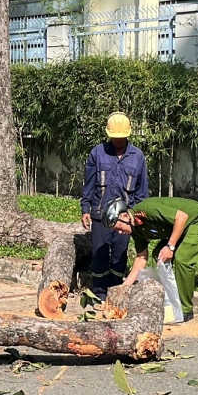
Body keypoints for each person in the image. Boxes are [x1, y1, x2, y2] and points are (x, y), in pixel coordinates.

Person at [108, 196, 198, 322]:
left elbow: (181, 217)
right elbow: (141, 258)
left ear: (125, 217)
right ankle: (167, 303)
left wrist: (170, 247)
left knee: (183, 258)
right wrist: (124, 287)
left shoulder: (148, 210)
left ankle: (185, 309)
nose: (120, 233)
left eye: (118, 228)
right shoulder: (136, 230)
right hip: (183, 228)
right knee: (158, 255)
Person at [80, 112, 149, 301]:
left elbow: (142, 191)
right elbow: (89, 184)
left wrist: (139, 216)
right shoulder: (97, 153)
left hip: (125, 218)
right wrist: (85, 209)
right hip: (100, 215)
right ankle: (99, 293)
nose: (119, 141)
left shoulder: (137, 157)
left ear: (128, 135)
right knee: (99, 253)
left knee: (120, 254)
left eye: (122, 137)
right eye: (115, 137)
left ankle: (116, 292)